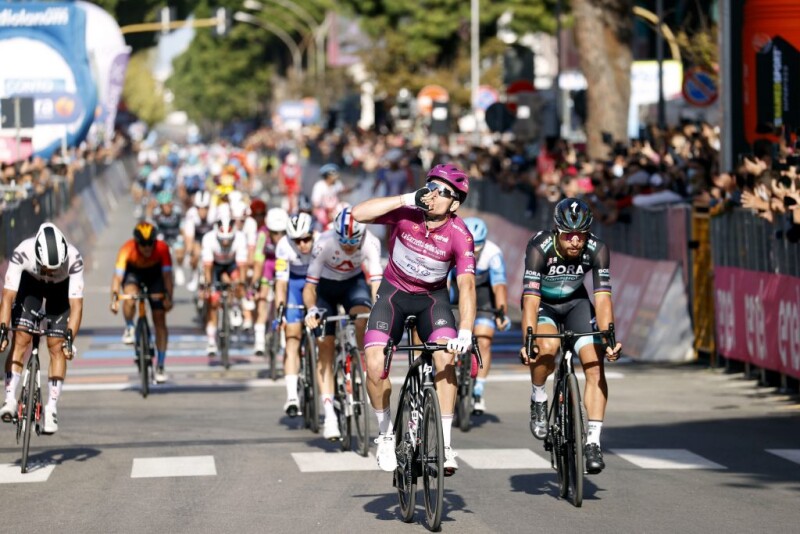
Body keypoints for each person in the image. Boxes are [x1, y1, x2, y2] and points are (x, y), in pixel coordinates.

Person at [352, 163, 477, 476]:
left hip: (431, 301)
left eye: (444, 192)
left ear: (456, 204)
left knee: (446, 357)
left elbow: (467, 285)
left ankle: (446, 446)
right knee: (376, 362)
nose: (434, 195)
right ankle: (384, 435)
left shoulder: (460, 235)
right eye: (431, 186)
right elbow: (359, 214)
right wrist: (405, 198)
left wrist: (465, 331)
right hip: (392, 295)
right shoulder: (407, 214)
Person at [520, 197, 622, 474]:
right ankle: (539, 396)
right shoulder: (539, 247)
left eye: (581, 235)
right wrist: (528, 340)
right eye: (569, 236)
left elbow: (602, 299)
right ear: (557, 231)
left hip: (577, 303)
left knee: (593, 363)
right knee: (548, 347)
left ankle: (593, 441)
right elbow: (529, 299)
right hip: (545, 305)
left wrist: (609, 339)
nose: (575, 241)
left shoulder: (597, 248)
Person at [303, 207, 383, 440]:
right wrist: (312, 309)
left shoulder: (371, 242)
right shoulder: (324, 243)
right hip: (326, 289)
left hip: (353, 284)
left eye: (353, 243)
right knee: (325, 346)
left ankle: (361, 365)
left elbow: (376, 282)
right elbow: (310, 287)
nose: (348, 248)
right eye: (344, 243)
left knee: (363, 318)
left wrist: (378, 309)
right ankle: (329, 414)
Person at [0, 223, 83, 433]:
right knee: (21, 339)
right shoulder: (23, 252)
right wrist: (2, 330)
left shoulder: (74, 258)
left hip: (60, 291)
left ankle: (51, 408)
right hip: (31, 286)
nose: (50, 272)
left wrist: (70, 339)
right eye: (47, 267)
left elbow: (76, 306)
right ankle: (9, 398)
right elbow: (8, 296)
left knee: (56, 347)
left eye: (55, 267)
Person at [449, 217, 510, 415]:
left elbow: (499, 286)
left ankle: (478, 390)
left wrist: (501, 313)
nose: (475, 250)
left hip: (483, 296)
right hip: (456, 294)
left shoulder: (493, 253)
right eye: (472, 245)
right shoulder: (451, 244)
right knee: (445, 334)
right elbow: (445, 282)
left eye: (479, 246)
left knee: (484, 340)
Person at [110, 221, 174, 384]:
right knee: (130, 295)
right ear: (137, 242)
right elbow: (117, 278)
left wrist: (168, 297)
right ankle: (130, 326)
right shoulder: (127, 249)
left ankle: (160, 365)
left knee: (160, 318)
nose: (147, 248)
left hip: (155, 276)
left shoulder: (162, 248)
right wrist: (115, 298)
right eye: (143, 244)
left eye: (150, 244)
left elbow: (167, 277)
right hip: (134, 274)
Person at [273, 212, 315, 416]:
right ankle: (292, 397)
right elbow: (281, 283)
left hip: (316, 283)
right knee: (292, 337)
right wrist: (280, 309)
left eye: (306, 239)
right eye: (296, 240)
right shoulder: (283, 245)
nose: (302, 244)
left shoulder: (322, 241)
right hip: (294, 286)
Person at [201, 214, 249, 356]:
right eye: (223, 240)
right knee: (213, 302)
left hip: (231, 264)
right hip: (215, 266)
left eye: (229, 240)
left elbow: (242, 266)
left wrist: (241, 284)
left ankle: (235, 306)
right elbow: (208, 268)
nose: (226, 243)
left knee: (238, 282)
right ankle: (211, 341)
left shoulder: (240, 238)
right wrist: (208, 286)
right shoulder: (208, 239)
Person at [252, 207, 289, 355]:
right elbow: (258, 260)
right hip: (269, 264)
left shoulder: (289, 236)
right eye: (275, 233)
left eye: (282, 232)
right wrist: (256, 282)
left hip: (284, 264)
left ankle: (283, 336)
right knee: (262, 296)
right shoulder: (262, 235)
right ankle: (259, 339)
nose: (278, 236)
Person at [183, 190, 217, 292]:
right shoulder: (191, 214)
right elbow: (189, 235)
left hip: (211, 238)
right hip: (197, 237)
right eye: (199, 208)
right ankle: (194, 275)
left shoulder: (215, 213)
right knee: (196, 252)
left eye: (205, 208)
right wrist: (189, 253)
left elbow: (217, 233)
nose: (202, 211)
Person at [153, 190, 186, 286]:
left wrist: (182, 238)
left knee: (179, 251)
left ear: (171, 204)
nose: (166, 207)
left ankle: (179, 268)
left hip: (176, 236)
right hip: (163, 237)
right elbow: (154, 228)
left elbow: (183, 227)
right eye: (163, 205)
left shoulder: (178, 212)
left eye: (168, 204)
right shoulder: (156, 214)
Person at [310, 164, 353, 228]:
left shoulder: (337, 184)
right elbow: (315, 205)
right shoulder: (319, 186)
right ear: (327, 175)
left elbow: (343, 190)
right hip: (322, 214)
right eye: (334, 174)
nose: (336, 176)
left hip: (334, 213)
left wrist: (350, 189)